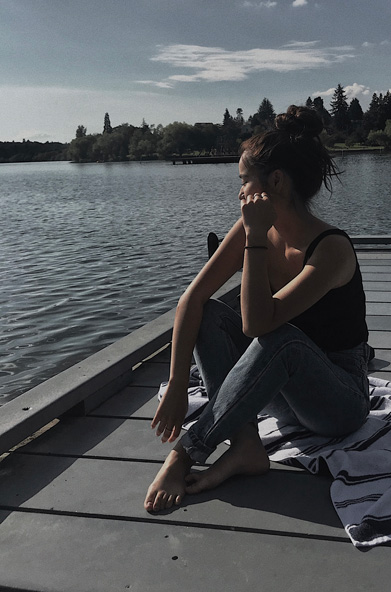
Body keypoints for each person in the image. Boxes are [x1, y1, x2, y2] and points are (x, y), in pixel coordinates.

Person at [144, 105, 370, 512]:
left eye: (244, 180)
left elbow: (256, 324)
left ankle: (185, 453)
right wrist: (178, 382)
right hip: (280, 390)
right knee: (211, 314)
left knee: (280, 338)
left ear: (276, 182)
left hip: (338, 402)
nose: (239, 192)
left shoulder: (331, 249)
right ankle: (247, 446)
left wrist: (253, 239)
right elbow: (192, 299)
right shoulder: (254, 227)